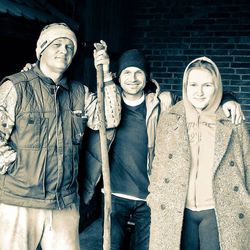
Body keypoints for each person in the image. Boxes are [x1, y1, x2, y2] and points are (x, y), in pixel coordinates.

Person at [81, 49, 244, 250]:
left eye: (138, 72)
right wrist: (105, 73)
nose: (133, 78)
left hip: (148, 199)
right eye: (126, 73)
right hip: (114, 196)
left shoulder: (163, 104)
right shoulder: (107, 106)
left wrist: (229, 98)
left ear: (148, 76)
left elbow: (199, 99)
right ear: (118, 76)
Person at [0, 22, 121, 250]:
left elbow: (109, 119)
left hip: (64, 202)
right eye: (57, 44)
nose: (64, 50)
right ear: (41, 50)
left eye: (69, 47)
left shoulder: (79, 93)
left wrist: (105, 75)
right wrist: (15, 165)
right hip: (19, 201)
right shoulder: (17, 86)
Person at [148, 57, 250, 250]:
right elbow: (159, 164)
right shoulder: (170, 119)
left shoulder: (232, 120)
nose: (199, 92)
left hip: (218, 211)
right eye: (193, 84)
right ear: (185, 86)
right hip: (177, 210)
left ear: (216, 87)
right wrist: (155, 198)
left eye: (207, 85)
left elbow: (247, 166)